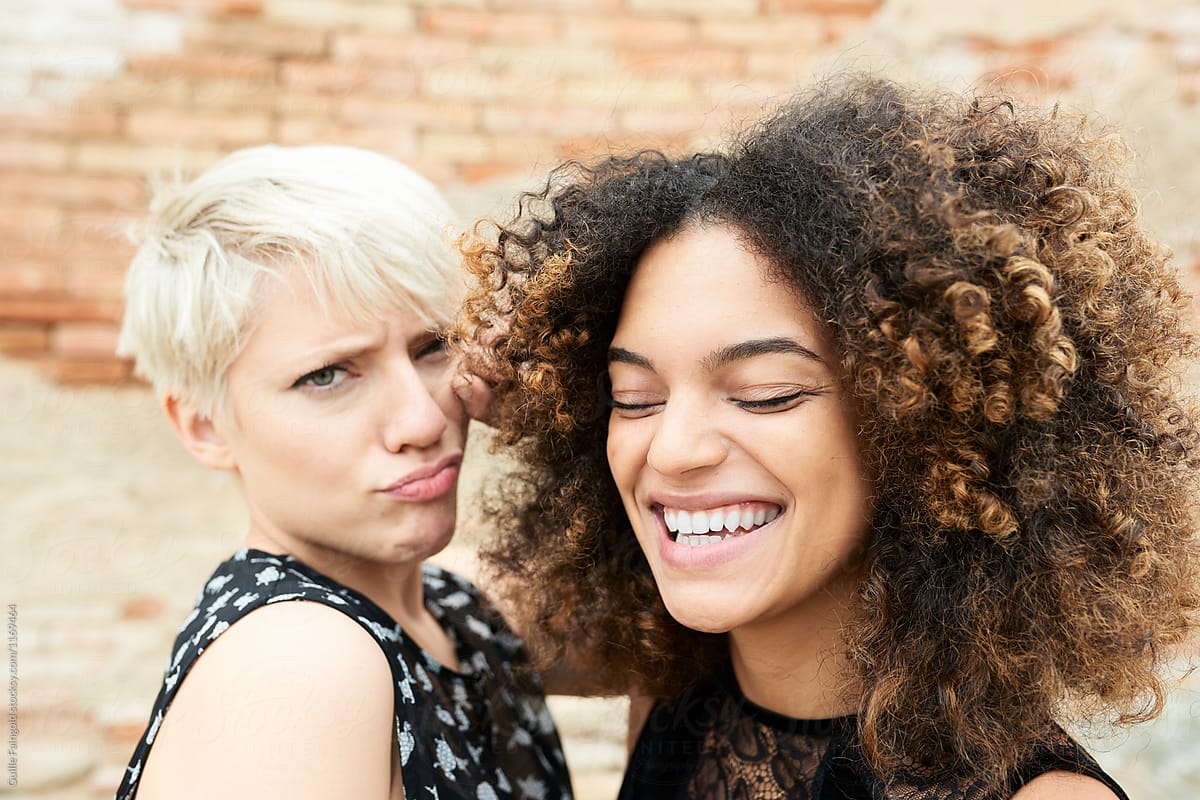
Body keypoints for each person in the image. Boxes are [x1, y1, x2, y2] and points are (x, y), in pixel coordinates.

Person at [454, 77, 1200, 799]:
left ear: (927, 426)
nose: (674, 449)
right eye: (634, 397)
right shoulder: (679, 694)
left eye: (765, 395)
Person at [115, 145, 572, 800]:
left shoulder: (452, 608)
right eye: (328, 376)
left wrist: (560, 411)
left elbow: (700, 618)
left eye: (434, 346)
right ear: (205, 426)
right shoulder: (299, 664)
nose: (421, 420)